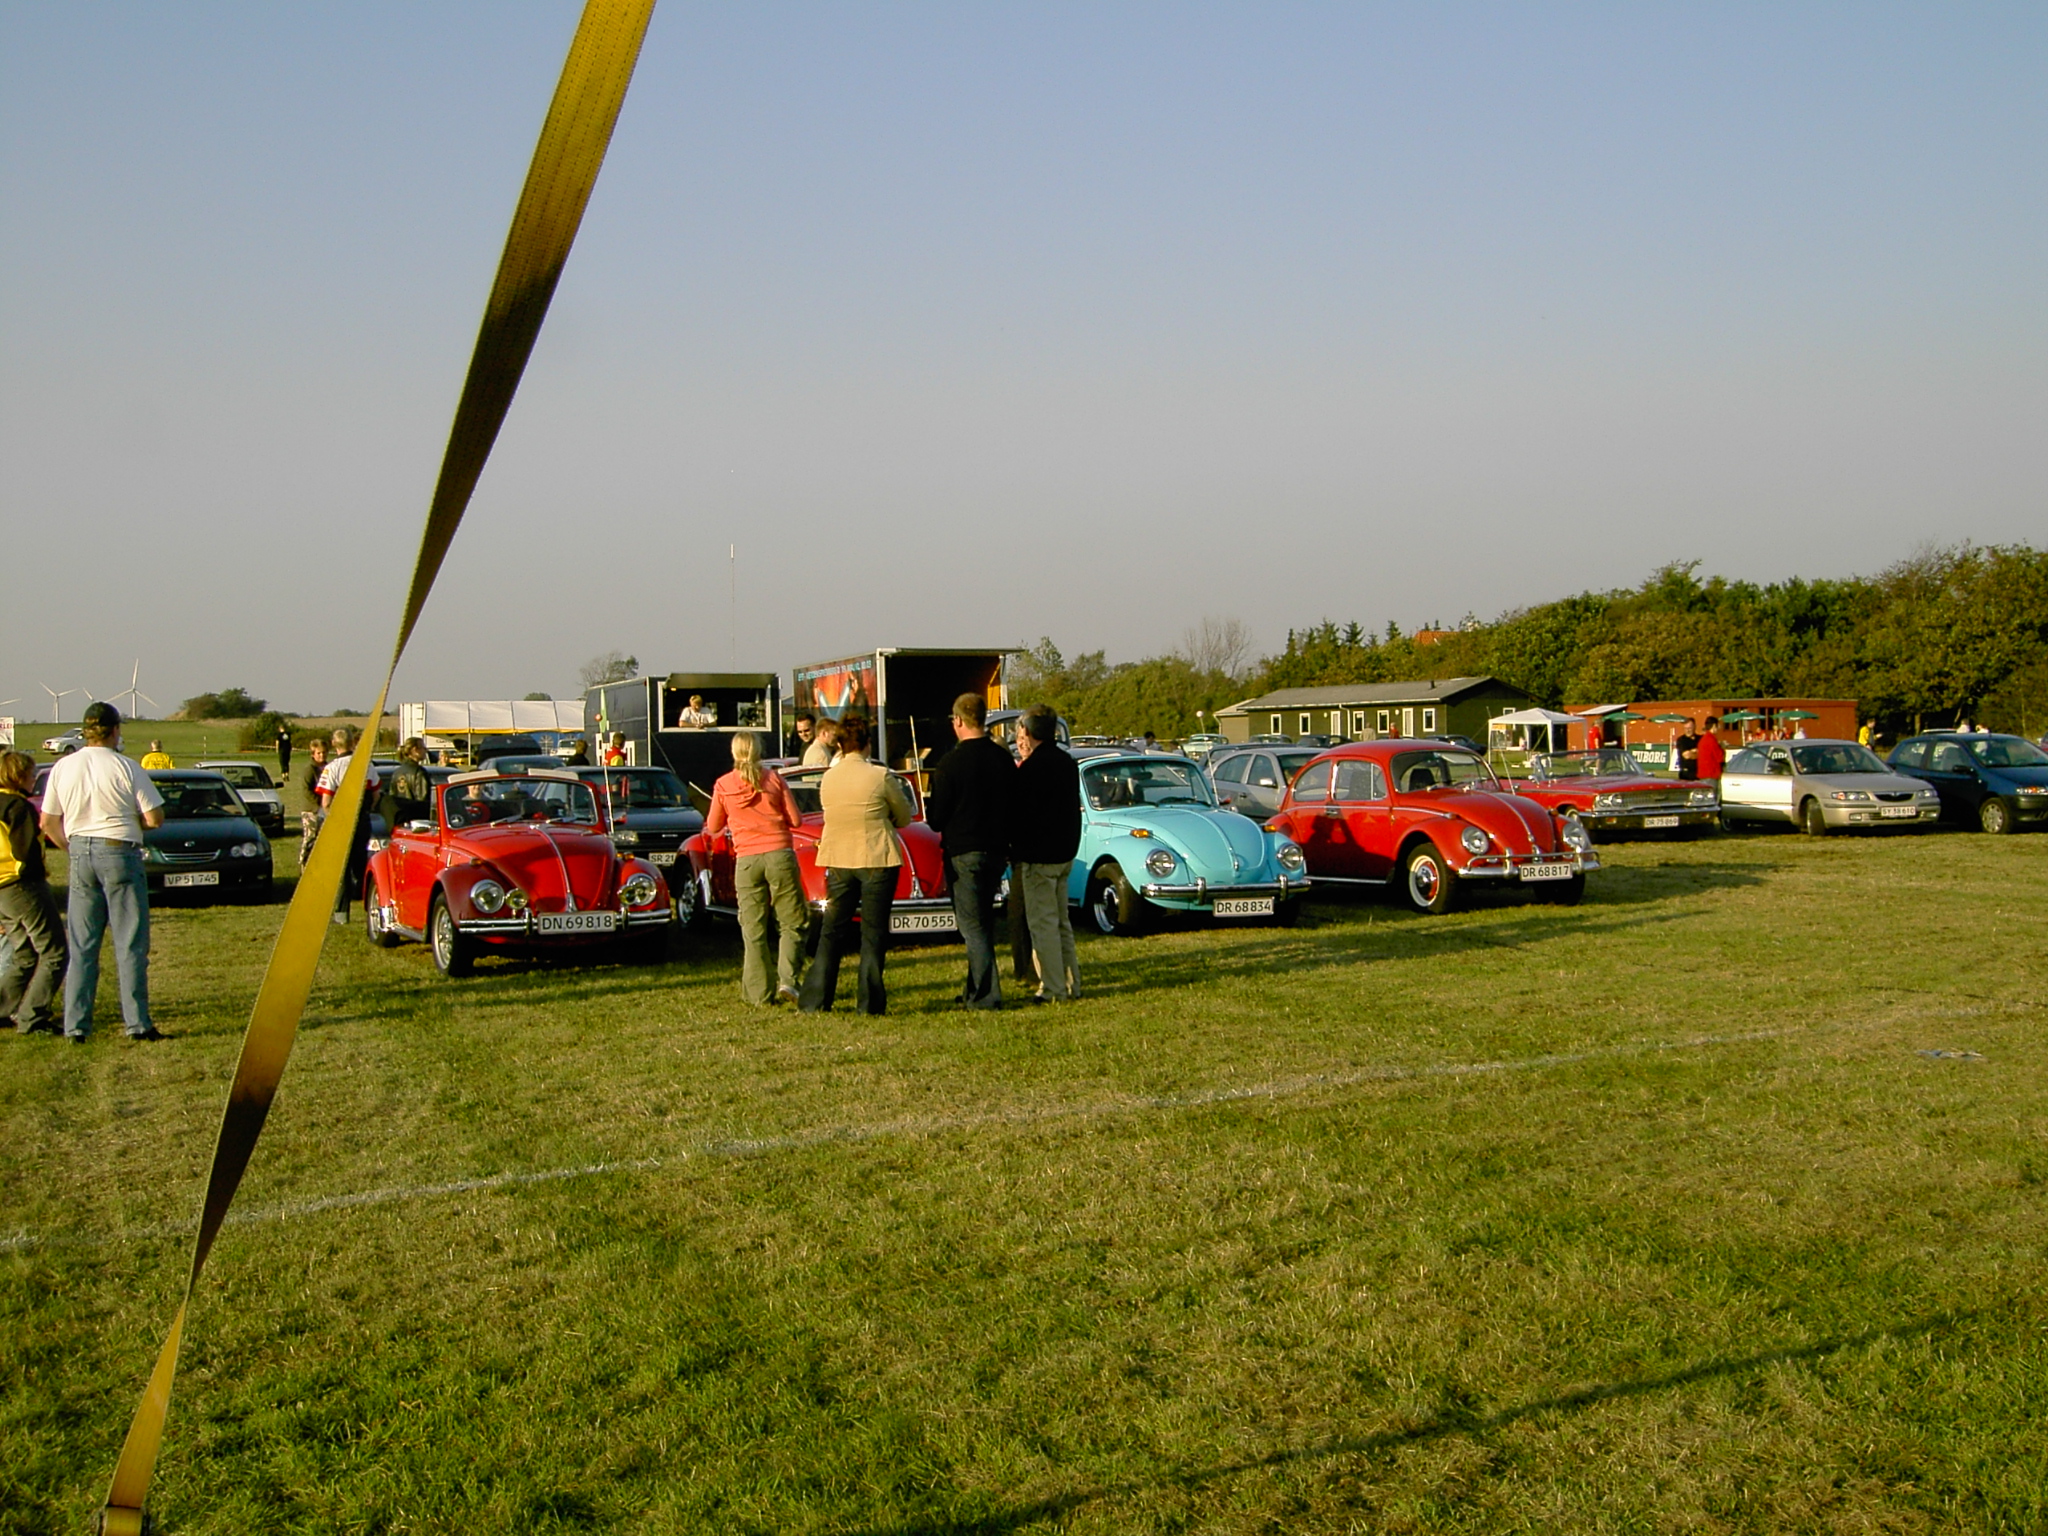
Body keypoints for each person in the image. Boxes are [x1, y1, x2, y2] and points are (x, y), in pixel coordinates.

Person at [38, 702, 166, 1042]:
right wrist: (131, 823)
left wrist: (72, 847)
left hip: (81, 850)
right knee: (130, 943)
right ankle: (137, 1023)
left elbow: (48, 822)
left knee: (83, 945)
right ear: (115, 731)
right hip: (119, 850)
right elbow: (154, 817)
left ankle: (76, 1026)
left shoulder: (63, 767)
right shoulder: (125, 766)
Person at [799, 714, 910, 1015]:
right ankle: (869, 1003)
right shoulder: (880, 775)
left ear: (839, 744)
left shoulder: (829, 778)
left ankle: (815, 999)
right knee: (873, 933)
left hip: (838, 858)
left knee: (831, 931)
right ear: (867, 743)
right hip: (876, 856)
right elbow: (903, 816)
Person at [926, 692, 1017, 1010]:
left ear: (958, 721)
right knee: (983, 921)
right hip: (997, 850)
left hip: (963, 851)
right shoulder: (1002, 759)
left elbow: (935, 820)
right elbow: (1015, 804)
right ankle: (973, 987)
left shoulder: (949, 763)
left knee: (971, 926)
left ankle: (986, 995)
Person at [704, 732, 806, 1005]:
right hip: (780, 854)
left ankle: (759, 994)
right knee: (792, 921)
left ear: (734, 752)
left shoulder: (723, 784)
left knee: (753, 928)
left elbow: (713, 827)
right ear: (760, 751)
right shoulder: (774, 779)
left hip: (747, 859)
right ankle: (789, 980)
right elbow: (796, 820)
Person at [1011, 707, 1081, 1002]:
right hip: (1065, 853)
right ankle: (1070, 982)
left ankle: (1053, 987)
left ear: (1028, 731)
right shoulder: (1067, 763)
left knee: (1043, 925)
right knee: (1062, 922)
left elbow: (1022, 814)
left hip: (1040, 856)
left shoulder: (1032, 769)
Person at [0, 751, 67, 1035]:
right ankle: (33, 1017)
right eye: (30, 774)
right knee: (55, 952)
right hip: (21, 885)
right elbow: (25, 851)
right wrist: (38, 874)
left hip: (2, 888)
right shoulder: (18, 807)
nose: (33, 779)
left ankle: (2, 1010)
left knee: (25, 953)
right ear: (18, 776)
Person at [315, 726, 380, 925]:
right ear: (353, 743)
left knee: (342, 869)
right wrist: (367, 810)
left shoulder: (332, 768)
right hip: (362, 820)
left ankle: (342, 913)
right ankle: (373, 909)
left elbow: (326, 802)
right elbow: (376, 794)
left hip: (342, 822)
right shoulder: (367, 765)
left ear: (334, 744)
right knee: (362, 865)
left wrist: (334, 819)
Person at [377, 737, 433, 833]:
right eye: (423, 748)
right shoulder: (419, 772)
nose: (426, 751)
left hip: (400, 823)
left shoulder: (397, 772)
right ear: (415, 750)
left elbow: (392, 798)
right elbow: (423, 803)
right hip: (416, 823)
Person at [295, 738, 328, 869]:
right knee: (310, 838)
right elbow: (306, 790)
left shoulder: (328, 768)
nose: (322, 755)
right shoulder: (309, 769)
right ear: (313, 754)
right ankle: (304, 863)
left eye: (324, 752)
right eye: (319, 753)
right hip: (311, 810)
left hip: (324, 808)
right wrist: (319, 803)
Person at [1696, 715, 1725, 784]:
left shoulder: (1703, 739)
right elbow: (1719, 757)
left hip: (1703, 773)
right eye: (1717, 726)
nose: (1718, 728)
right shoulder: (1712, 740)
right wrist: (1722, 748)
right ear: (1714, 726)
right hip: (1711, 774)